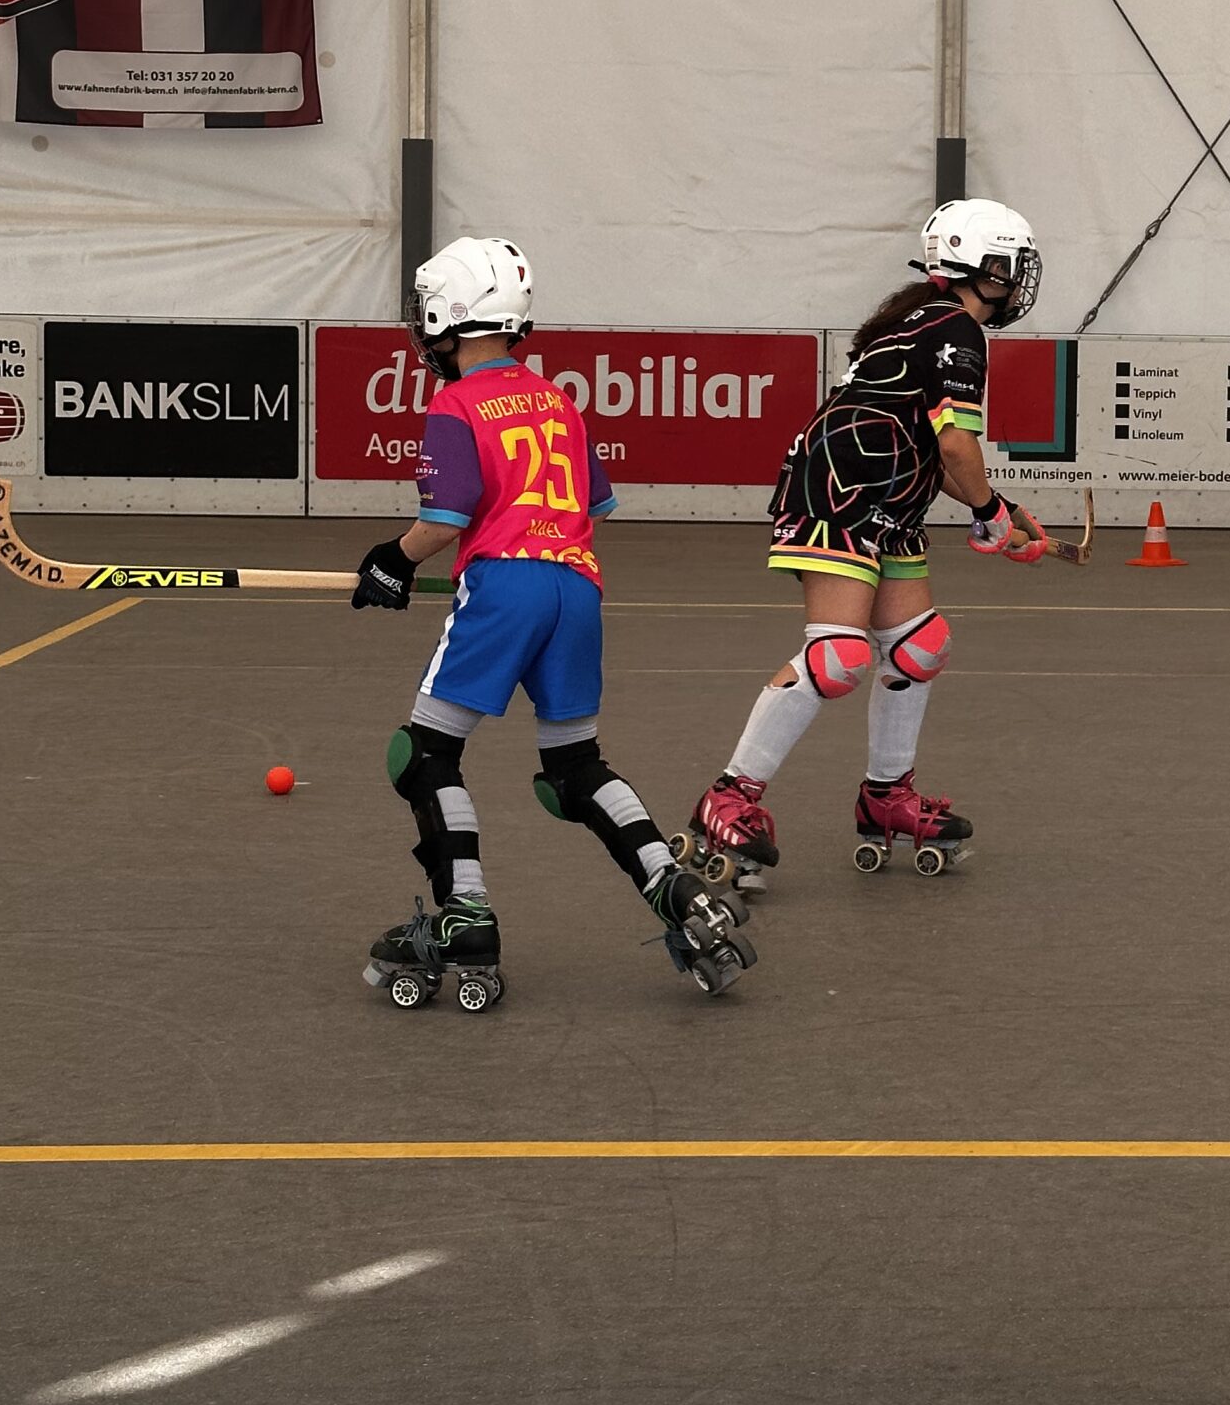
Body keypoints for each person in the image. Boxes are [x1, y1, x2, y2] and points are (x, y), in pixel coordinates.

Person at [351, 234, 757, 1000]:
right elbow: (593, 505)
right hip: (576, 589)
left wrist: (391, 561)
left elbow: (445, 518)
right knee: (574, 771)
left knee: (424, 755)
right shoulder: (556, 400)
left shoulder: (455, 403)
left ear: (445, 316)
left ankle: (465, 914)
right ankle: (677, 890)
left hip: (505, 589)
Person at [681, 199, 1044, 880]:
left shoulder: (926, 320)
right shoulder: (956, 330)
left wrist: (997, 510)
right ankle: (728, 799)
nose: (1020, 278)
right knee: (840, 657)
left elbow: (925, 447)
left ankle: (886, 797)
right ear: (984, 266)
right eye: (1013, 265)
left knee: (919, 645)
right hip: (838, 495)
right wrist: (990, 511)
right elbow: (956, 444)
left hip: (885, 501)